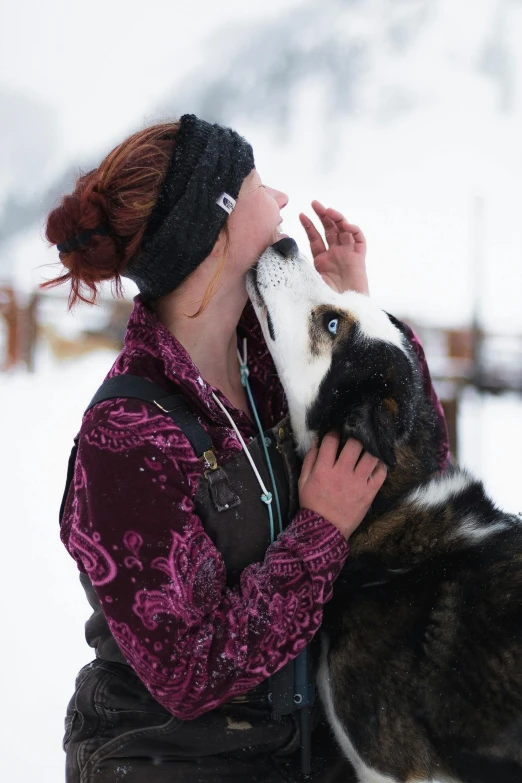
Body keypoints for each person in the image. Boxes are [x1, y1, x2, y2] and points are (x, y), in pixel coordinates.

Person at [45, 114, 449, 783]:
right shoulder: (126, 440)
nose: (283, 199)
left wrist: (354, 314)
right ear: (219, 226)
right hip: (170, 764)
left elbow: (415, 470)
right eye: (260, 185)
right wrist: (320, 531)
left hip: (311, 751)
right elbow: (191, 671)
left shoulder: (268, 359)